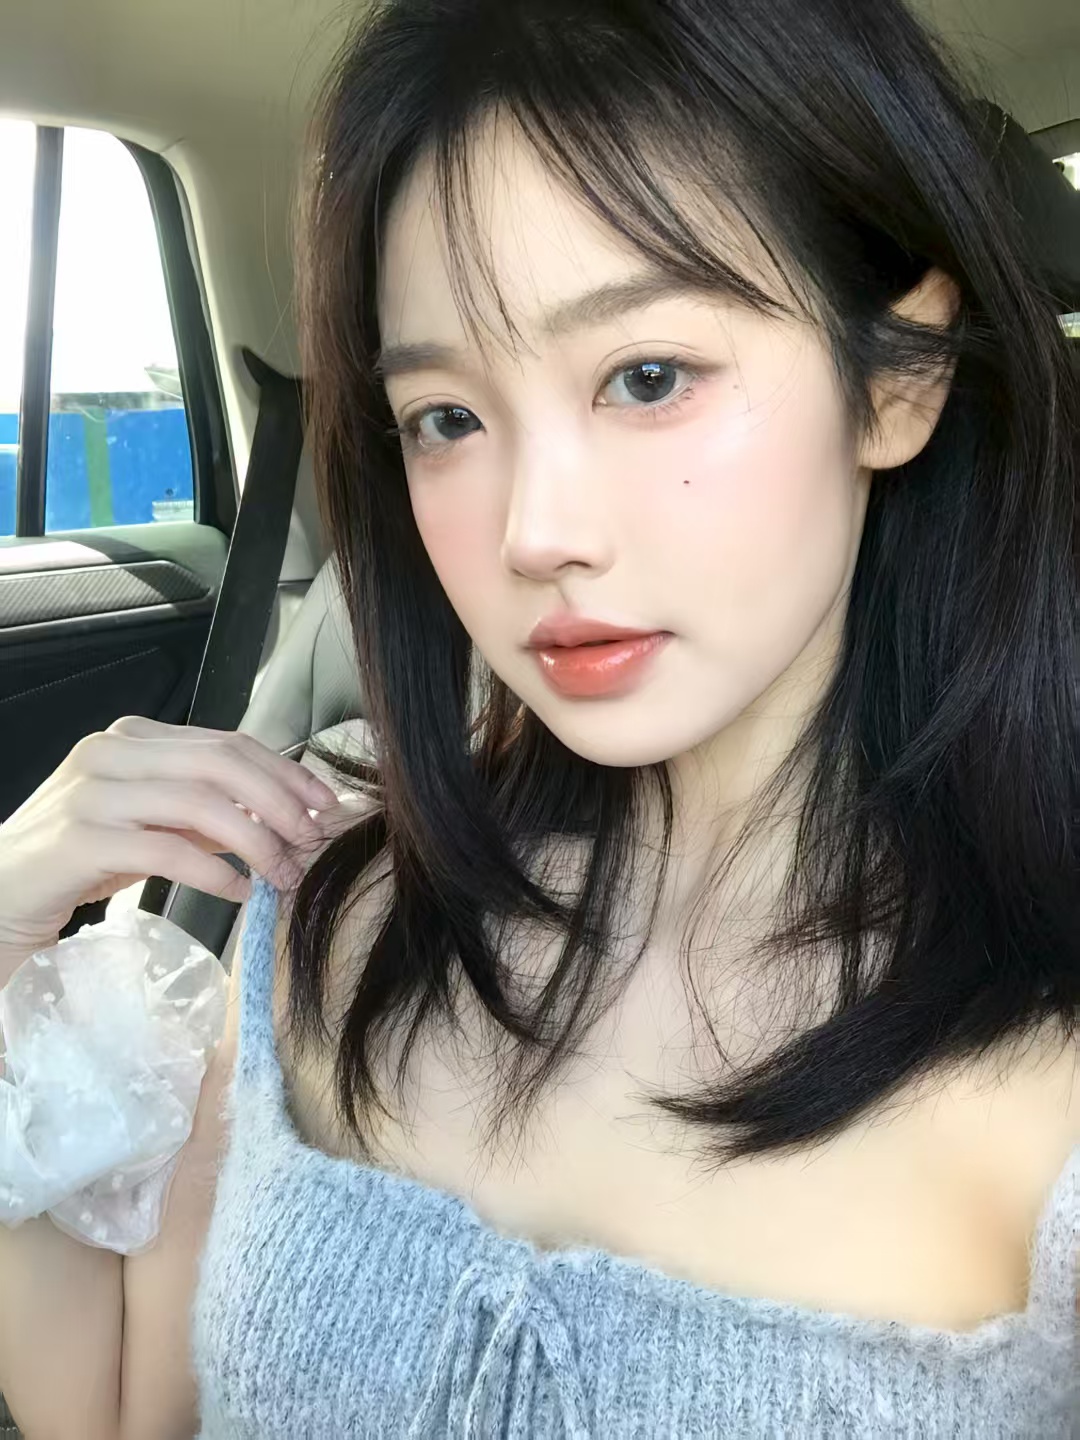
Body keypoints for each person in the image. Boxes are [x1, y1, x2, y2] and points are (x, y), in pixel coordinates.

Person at [1, 0, 1078, 1434]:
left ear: (898, 378)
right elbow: (130, 1416)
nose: (534, 531)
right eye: (447, 417)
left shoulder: (1047, 1053)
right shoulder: (337, 909)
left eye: (648, 377)